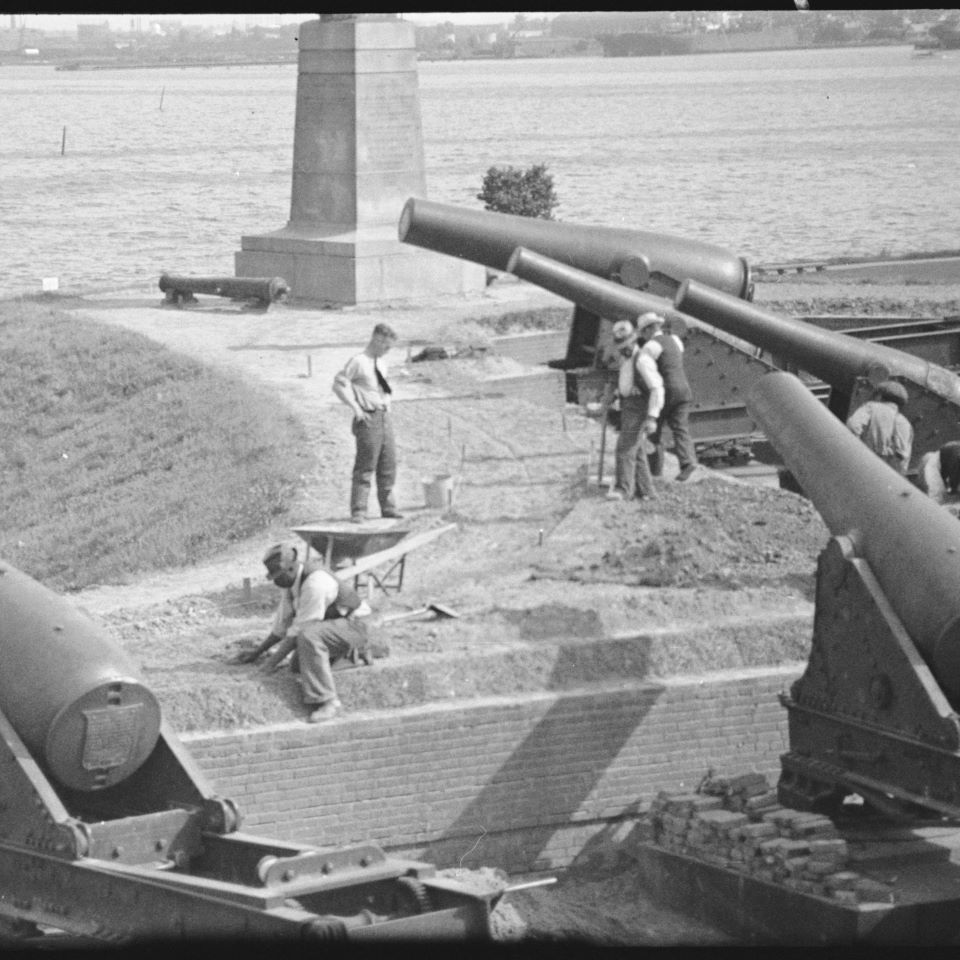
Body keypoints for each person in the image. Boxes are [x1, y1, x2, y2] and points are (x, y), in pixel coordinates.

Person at [234, 542, 373, 723]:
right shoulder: (291, 583)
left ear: (291, 568)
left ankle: (328, 702)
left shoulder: (315, 583)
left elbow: (300, 630)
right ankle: (354, 656)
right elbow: (282, 626)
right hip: (333, 627)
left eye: (278, 576)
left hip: (356, 625)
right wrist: (256, 653)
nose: (276, 581)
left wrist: (268, 666)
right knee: (297, 666)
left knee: (308, 637)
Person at [333, 322, 403, 523]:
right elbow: (338, 385)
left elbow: (383, 390)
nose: (388, 351)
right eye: (386, 346)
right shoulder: (358, 361)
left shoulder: (381, 364)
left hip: (384, 417)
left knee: (388, 465)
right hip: (368, 418)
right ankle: (359, 511)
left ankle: (388, 509)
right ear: (377, 340)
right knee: (365, 466)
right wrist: (355, 407)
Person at [607, 318, 664, 501]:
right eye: (621, 347)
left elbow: (657, 388)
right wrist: (618, 394)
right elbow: (626, 381)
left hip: (638, 409)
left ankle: (624, 490)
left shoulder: (642, 361)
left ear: (633, 342)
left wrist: (652, 417)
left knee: (624, 448)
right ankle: (647, 491)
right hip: (628, 406)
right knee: (636, 451)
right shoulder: (627, 359)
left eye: (625, 346)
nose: (623, 350)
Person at [637, 312, 698, 482]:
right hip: (684, 390)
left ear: (649, 329)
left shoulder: (649, 348)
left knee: (652, 432)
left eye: (643, 331)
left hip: (666, 392)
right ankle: (688, 462)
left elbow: (654, 383)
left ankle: (654, 472)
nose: (642, 335)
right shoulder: (676, 341)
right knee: (680, 428)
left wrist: (652, 415)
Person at [845, 379, 913, 475]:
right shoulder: (906, 424)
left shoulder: (871, 407)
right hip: (885, 477)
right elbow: (903, 460)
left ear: (879, 396)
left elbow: (852, 426)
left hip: (861, 466)